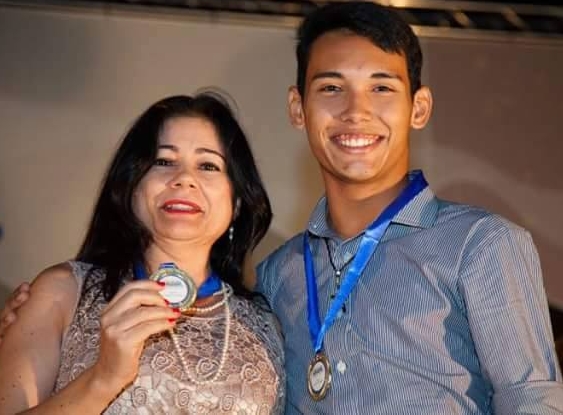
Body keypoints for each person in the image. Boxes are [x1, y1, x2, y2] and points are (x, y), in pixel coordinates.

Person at [2, 2, 563, 414]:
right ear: (298, 108)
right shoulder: (278, 278)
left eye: (381, 88)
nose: (355, 111)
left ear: (419, 107)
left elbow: (533, 402)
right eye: (331, 88)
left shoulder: (481, 245)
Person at [0, 93, 285, 414]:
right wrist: (102, 379)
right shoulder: (63, 292)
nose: (184, 179)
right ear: (131, 185)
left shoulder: (267, 324)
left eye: (208, 165)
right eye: (164, 161)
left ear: (237, 203)